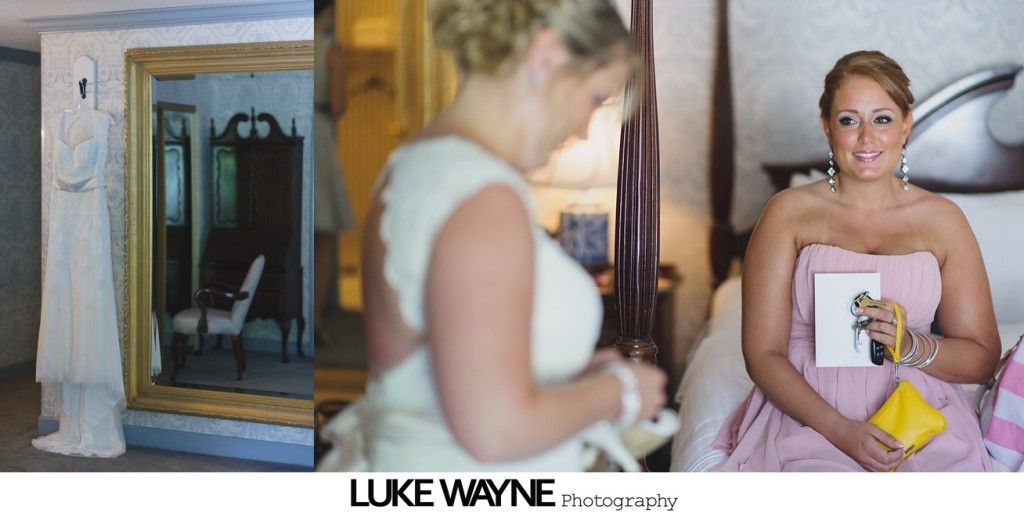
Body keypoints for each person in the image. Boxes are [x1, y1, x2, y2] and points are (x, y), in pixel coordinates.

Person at [317, 0, 667, 471]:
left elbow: (455, 364)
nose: (585, 129)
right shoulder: (483, 200)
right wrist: (618, 393)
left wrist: (573, 377)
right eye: (594, 98)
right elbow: (494, 429)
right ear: (545, 59)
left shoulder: (415, 166)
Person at [712, 50, 1001, 472]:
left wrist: (912, 347)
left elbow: (981, 356)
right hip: (809, 410)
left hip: (913, 410)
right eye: (849, 120)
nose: (867, 138)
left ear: (906, 125)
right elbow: (762, 353)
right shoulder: (787, 213)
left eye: (882, 119)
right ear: (827, 128)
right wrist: (842, 430)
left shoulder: (944, 221)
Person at [313, 0, 356, 346]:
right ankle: (316, 321)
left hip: (297, 128)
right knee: (323, 234)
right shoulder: (332, 51)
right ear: (327, 14)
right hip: (321, 130)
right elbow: (339, 104)